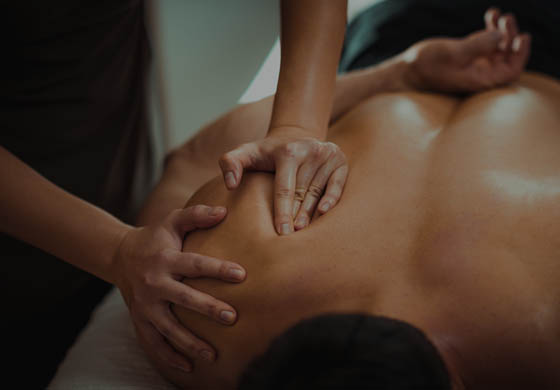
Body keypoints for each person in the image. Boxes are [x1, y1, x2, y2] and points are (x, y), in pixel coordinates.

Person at [134, 6, 560, 389]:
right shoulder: (206, 324)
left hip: (411, 57)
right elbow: (189, 161)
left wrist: (403, 71)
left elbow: (189, 159)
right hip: (404, 47)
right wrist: (397, 72)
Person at [1, 0, 350, 386]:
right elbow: (191, 158)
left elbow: (190, 159)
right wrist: (114, 250)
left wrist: (298, 125)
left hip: (114, 170)